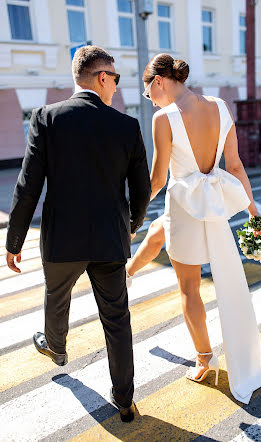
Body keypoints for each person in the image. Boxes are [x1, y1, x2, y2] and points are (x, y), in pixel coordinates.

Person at [5, 46, 151, 422]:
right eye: (115, 78)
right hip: (109, 240)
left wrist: (14, 241)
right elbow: (142, 191)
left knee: (56, 296)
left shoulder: (46, 118)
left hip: (62, 239)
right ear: (102, 77)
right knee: (117, 319)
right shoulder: (126, 126)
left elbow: (28, 186)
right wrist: (129, 228)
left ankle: (56, 348)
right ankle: (124, 400)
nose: (116, 87)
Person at [127, 53, 261, 404]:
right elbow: (237, 166)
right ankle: (128, 272)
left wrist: (132, 217)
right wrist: (255, 215)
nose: (151, 102)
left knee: (189, 289)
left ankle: (204, 357)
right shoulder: (221, 107)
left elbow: (158, 179)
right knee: (168, 238)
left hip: (184, 207)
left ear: (159, 81)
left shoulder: (164, 119)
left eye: (149, 95)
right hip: (211, 206)